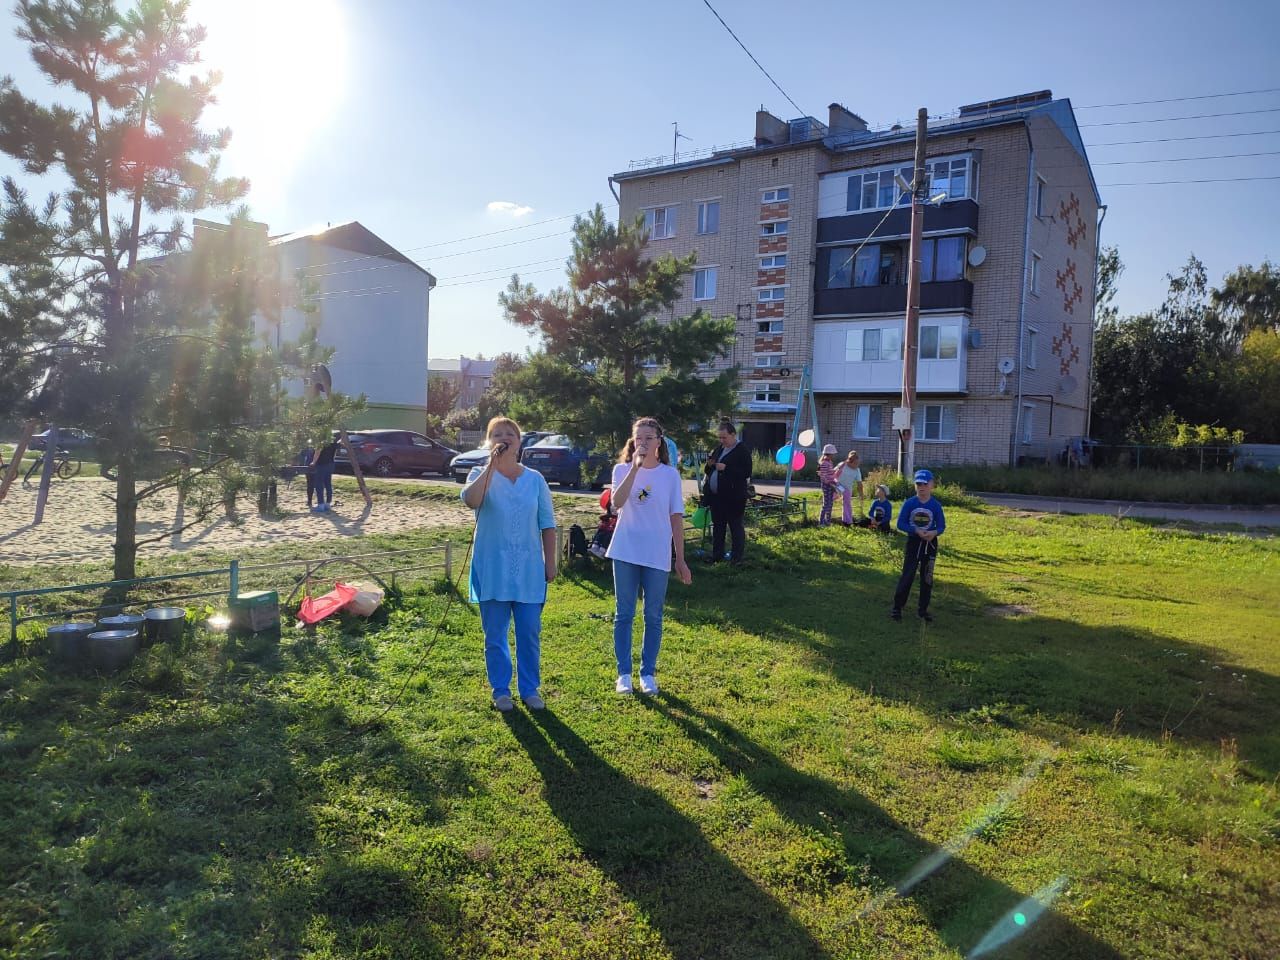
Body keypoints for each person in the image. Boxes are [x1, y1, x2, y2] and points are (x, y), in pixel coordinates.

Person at [462, 416, 557, 712]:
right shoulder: (480, 473)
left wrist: (550, 562)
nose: (503, 438)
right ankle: (501, 690)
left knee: (529, 632)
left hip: (529, 570)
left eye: (509, 434)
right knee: (496, 635)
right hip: (492, 569)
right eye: (496, 435)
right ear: (489, 442)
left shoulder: (535, 480)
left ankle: (530, 689)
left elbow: (548, 524)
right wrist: (491, 466)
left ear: (520, 441)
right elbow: (470, 501)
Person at [607, 417, 692, 695]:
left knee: (653, 615)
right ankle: (624, 674)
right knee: (624, 613)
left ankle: (648, 673)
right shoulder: (622, 469)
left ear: (659, 443)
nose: (642, 443)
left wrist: (680, 558)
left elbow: (676, 517)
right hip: (626, 550)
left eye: (648, 438)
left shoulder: (669, 475)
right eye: (638, 438)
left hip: (656, 553)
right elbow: (616, 504)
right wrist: (635, 468)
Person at [891, 469, 946, 623]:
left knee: (927, 577)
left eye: (924, 484)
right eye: (918, 484)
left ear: (932, 485)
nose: (921, 487)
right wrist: (915, 530)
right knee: (908, 574)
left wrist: (934, 532)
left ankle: (923, 610)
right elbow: (900, 523)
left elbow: (941, 526)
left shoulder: (935, 505)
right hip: (914, 542)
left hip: (930, 544)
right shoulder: (910, 503)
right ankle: (897, 607)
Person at [701, 419, 752, 565]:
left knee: (735, 526)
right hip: (717, 497)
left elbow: (746, 472)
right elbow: (709, 469)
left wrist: (727, 468)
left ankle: (736, 558)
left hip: (734, 497)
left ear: (733, 435)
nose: (722, 440)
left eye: (725, 437)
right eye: (720, 437)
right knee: (718, 526)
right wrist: (709, 465)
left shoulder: (742, 450)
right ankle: (717, 555)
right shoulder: (719, 449)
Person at [834, 450, 864, 527]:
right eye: (855, 463)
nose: (857, 465)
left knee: (847, 504)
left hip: (847, 489)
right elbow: (833, 473)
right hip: (837, 485)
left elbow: (859, 484)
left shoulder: (857, 470)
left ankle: (847, 521)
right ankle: (825, 517)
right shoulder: (843, 465)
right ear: (850, 461)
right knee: (832, 498)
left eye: (858, 463)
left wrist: (861, 495)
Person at [310, 436, 339, 513]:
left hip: (321, 465)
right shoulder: (333, 442)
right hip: (330, 464)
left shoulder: (320, 441)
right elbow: (334, 453)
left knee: (319, 485)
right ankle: (327, 504)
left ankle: (321, 505)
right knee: (328, 484)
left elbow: (318, 451)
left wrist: (313, 462)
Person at [818, 444, 839, 527]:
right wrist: (829, 482)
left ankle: (828, 521)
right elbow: (823, 476)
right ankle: (821, 522)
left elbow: (830, 473)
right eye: (832, 454)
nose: (833, 456)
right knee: (826, 503)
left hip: (831, 484)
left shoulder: (830, 462)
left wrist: (836, 471)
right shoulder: (824, 463)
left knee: (830, 503)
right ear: (828, 454)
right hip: (826, 485)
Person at [297, 444, 317, 509]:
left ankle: (310, 501)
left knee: (310, 485)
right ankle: (311, 501)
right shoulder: (311, 447)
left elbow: (301, 455)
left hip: (310, 466)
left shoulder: (308, 448)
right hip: (312, 467)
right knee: (312, 485)